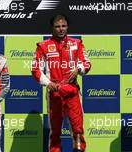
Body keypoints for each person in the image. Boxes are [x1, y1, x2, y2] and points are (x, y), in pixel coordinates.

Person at [31, 14, 91, 152]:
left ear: (67, 27)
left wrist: (78, 69)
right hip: (54, 92)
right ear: (52, 28)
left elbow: (87, 63)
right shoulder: (43, 46)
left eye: (63, 26)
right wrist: (48, 83)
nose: (61, 29)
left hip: (72, 91)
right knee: (55, 131)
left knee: (77, 129)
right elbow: (35, 69)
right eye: (57, 26)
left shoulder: (77, 43)